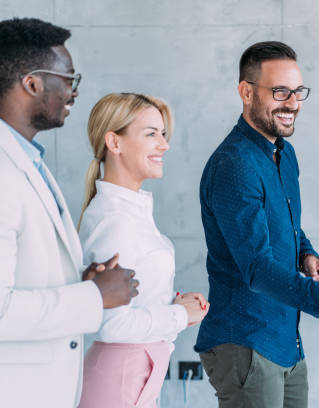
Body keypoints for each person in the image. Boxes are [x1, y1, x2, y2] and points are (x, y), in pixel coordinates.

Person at [196, 41, 319, 408]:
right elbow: (256, 268)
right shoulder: (234, 164)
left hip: (286, 339)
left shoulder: (284, 154)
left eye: (298, 91)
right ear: (246, 92)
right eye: (280, 91)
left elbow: (286, 225)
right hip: (246, 339)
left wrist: (306, 255)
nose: (293, 102)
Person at [0, 18, 138, 407]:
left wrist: (77, 280)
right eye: (69, 80)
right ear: (32, 83)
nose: (74, 93)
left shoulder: (29, 160)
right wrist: (92, 296)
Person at [76, 93, 209, 408]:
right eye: (151, 134)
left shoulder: (131, 211)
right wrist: (179, 315)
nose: (164, 145)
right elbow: (109, 323)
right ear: (115, 142)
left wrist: (172, 304)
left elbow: (130, 299)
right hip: (116, 383)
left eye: (163, 135)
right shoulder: (115, 219)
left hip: (134, 381)